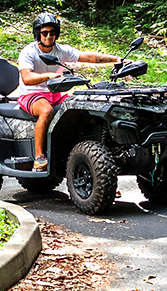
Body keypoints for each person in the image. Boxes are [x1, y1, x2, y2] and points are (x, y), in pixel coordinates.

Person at [14, 13, 121, 172]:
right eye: (44, 33)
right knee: (46, 111)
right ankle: (39, 157)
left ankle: (79, 150)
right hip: (31, 93)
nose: (48, 36)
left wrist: (116, 59)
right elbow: (27, 78)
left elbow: (88, 57)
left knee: (80, 106)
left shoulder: (61, 50)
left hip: (55, 94)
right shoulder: (29, 52)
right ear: (38, 34)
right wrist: (48, 76)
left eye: (52, 32)